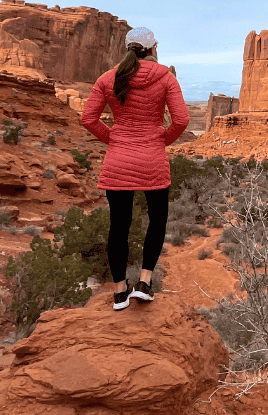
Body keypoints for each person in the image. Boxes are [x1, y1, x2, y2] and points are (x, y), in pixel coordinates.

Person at [81, 26, 189, 310]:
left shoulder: (107, 79)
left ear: (127, 49)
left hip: (118, 160)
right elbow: (181, 121)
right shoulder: (166, 78)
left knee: (119, 226)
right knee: (157, 220)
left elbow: (88, 119)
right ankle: (144, 282)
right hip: (152, 158)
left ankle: (119, 293)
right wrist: (159, 140)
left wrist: (114, 138)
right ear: (153, 48)